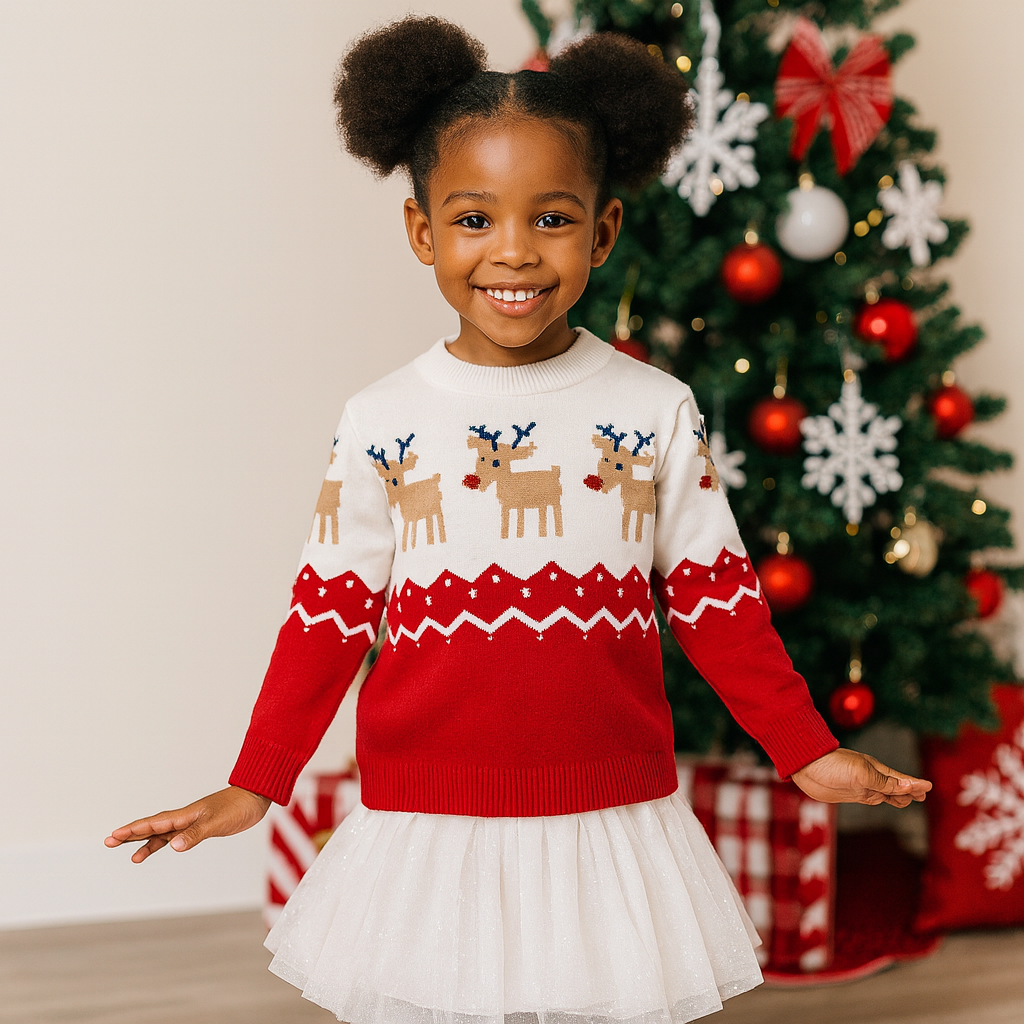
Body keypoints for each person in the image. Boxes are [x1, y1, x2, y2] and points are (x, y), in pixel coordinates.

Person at [105, 16, 931, 1024]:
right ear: (421, 231)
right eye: (471, 219)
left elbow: (720, 605)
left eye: (550, 219)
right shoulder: (381, 420)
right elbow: (325, 616)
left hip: (610, 819)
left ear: (604, 229)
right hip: (427, 822)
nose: (512, 253)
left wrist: (805, 750)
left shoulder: (654, 408)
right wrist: (256, 782)